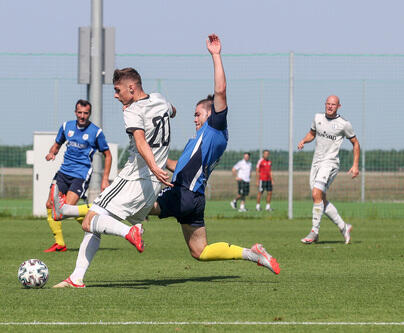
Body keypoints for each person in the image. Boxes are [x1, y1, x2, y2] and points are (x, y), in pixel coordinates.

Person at [151, 34, 279, 274]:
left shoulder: (215, 128)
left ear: (211, 114)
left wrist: (216, 55)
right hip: (195, 198)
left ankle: (74, 211)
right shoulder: (199, 141)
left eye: (198, 113)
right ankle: (253, 254)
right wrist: (154, 160)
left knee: (136, 205)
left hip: (184, 193)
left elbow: (220, 90)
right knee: (200, 251)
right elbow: (180, 165)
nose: (194, 117)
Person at [52, 67, 175, 288]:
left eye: (118, 90)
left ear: (131, 87)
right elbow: (172, 111)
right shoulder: (159, 99)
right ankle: (77, 277)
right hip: (153, 185)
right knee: (96, 222)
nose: (116, 95)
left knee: (90, 222)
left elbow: (140, 140)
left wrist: (155, 167)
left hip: (135, 177)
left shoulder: (131, 110)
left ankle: (130, 231)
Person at [43, 99, 112, 253]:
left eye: (85, 113)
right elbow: (57, 145)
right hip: (63, 172)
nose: (82, 116)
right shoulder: (66, 126)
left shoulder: (96, 132)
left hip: (80, 174)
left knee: (65, 209)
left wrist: (105, 178)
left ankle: (96, 214)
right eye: (79, 112)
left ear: (89, 114)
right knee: (49, 205)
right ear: (75, 112)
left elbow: (108, 155)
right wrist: (51, 153)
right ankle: (60, 243)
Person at [298, 95, 359, 244]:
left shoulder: (344, 124)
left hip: (330, 163)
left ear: (339, 106)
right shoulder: (317, 118)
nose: (330, 106)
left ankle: (314, 232)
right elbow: (312, 133)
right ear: (325, 104)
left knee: (316, 193)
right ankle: (344, 227)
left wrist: (355, 165)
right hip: (316, 163)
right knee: (319, 199)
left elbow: (355, 143)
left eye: (333, 104)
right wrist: (303, 141)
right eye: (328, 104)